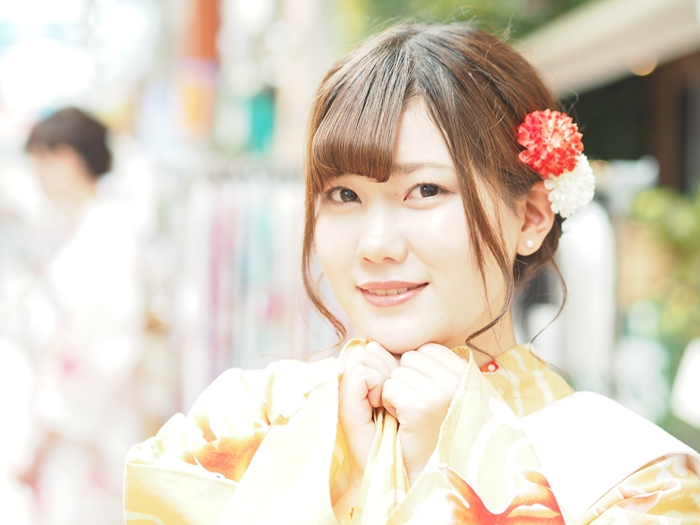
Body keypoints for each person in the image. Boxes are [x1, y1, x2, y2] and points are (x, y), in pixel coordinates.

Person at [123, 23, 700, 524]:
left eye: (425, 190)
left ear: (529, 216)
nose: (375, 245)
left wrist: (464, 467)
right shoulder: (242, 421)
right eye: (343, 194)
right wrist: (329, 468)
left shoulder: (629, 475)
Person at [21, 107, 144, 525]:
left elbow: (98, 350)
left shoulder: (107, 233)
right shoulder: (86, 225)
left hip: (84, 437)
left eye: (40, 161)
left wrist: (43, 437)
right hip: (71, 431)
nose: (36, 176)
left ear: (67, 159)